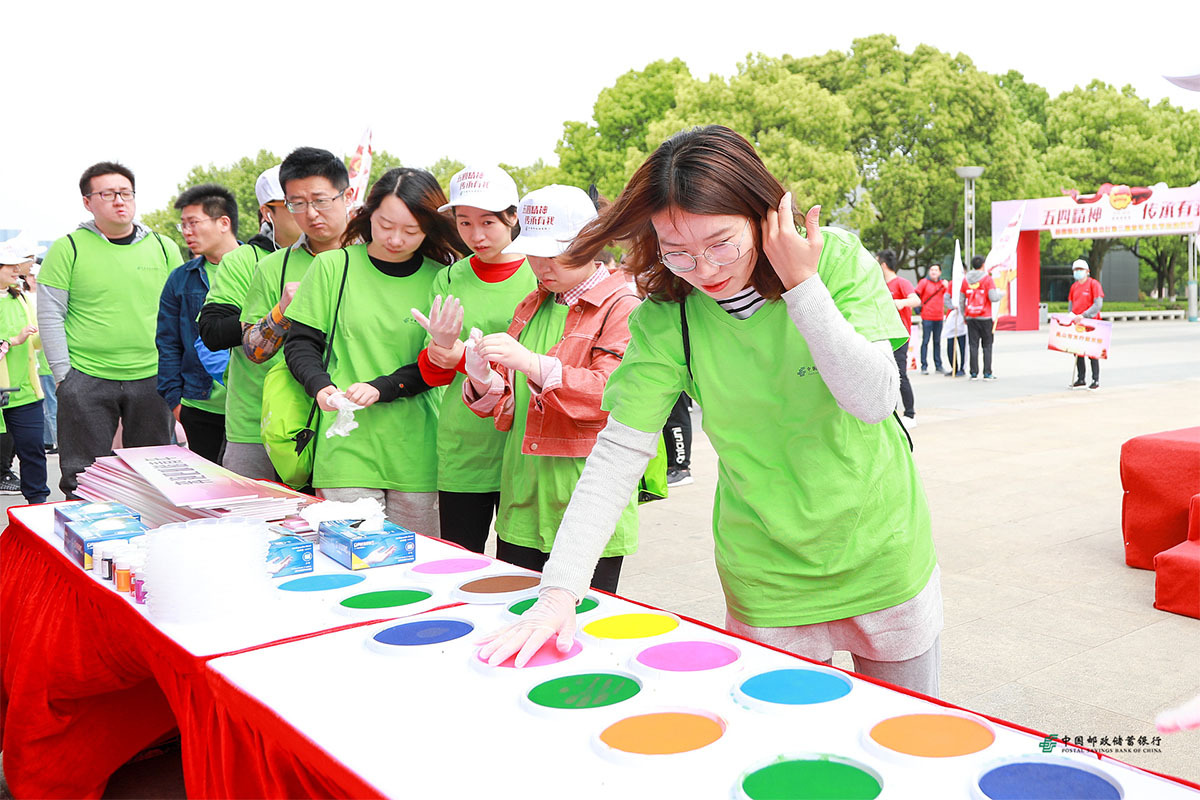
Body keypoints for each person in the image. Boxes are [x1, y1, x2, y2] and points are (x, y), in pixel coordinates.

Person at [479, 126, 940, 697]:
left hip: (883, 553)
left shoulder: (836, 261)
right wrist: (558, 594)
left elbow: (872, 401)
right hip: (766, 573)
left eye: (721, 243)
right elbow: (619, 452)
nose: (704, 269)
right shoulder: (667, 317)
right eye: (676, 251)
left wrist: (801, 285)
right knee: (781, 747)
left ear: (764, 215)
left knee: (903, 734)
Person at [452, 184, 640, 592]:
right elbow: (506, 409)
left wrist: (534, 364)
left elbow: (612, 395)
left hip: (585, 495)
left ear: (591, 243)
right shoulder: (532, 303)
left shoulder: (622, 306)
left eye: (555, 253)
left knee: (585, 621)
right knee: (515, 610)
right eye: (535, 252)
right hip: (522, 492)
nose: (542, 265)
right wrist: (483, 379)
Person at [284, 168, 463, 534]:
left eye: (411, 230)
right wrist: (320, 385)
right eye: (385, 225)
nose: (396, 238)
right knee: (351, 556)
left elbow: (439, 360)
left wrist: (384, 387)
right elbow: (301, 342)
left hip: (419, 448)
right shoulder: (334, 266)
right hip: (346, 441)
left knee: (416, 566)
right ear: (368, 217)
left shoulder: (443, 276)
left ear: (429, 227)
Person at [37, 162, 181, 498]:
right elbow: (50, 314)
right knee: (83, 476)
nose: (120, 200)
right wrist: (64, 378)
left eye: (125, 193)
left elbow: (180, 312)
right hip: (86, 378)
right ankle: (83, 544)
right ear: (88, 202)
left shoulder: (163, 247)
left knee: (154, 472)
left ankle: (146, 542)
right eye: (108, 194)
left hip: (152, 376)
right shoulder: (68, 248)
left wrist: (175, 370)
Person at [411, 165, 536, 553]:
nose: (476, 235)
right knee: (459, 557)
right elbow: (432, 372)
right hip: (463, 445)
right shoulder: (449, 279)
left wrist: (465, 356)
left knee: (521, 562)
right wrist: (441, 351)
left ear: (513, 216)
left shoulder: (540, 271)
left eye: (488, 222)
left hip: (525, 439)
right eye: (464, 223)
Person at [198, 165, 301, 478]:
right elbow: (212, 331)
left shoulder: (339, 256)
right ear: (267, 212)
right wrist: (274, 314)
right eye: (293, 204)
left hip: (317, 415)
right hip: (254, 421)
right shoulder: (243, 260)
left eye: (315, 200)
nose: (306, 211)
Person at [156, 184, 240, 464]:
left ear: (223, 223)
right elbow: (168, 342)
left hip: (250, 406)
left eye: (193, 223)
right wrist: (176, 402)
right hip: (198, 404)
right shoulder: (181, 278)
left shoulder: (261, 266)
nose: (187, 232)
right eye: (183, 226)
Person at [0, 243, 49, 504]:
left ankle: (38, 505)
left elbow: (36, 339)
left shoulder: (21, 298)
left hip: (26, 392)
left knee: (33, 450)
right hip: (3, 392)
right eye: (10, 265)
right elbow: (15, 339)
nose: (17, 269)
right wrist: (11, 340)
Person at [878, 249, 918, 422]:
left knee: (900, 374)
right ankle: (891, 414)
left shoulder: (901, 282)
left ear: (883, 265)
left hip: (899, 336)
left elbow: (916, 300)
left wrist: (900, 303)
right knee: (887, 376)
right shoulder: (879, 285)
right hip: (884, 337)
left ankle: (910, 413)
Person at [960, 255, 1001, 381]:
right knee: (987, 345)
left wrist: (964, 315)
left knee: (973, 345)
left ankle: (973, 373)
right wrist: (1001, 294)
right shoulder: (988, 279)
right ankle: (987, 373)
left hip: (971, 316)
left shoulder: (965, 279)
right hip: (985, 317)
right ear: (983, 264)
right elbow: (993, 297)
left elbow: (961, 300)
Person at [1068, 258, 1103, 390]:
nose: (1078, 272)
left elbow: (1098, 304)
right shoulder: (1074, 287)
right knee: (1078, 352)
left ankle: (1095, 379)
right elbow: (1071, 305)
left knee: (1092, 352)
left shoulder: (1094, 284)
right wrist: (1071, 317)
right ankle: (1081, 378)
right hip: (1077, 323)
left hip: (1092, 323)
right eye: (1075, 270)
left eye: (1080, 270)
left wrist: (1084, 315)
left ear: (1087, 271)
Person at [914, 264, 949, 374]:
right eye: (932, 269)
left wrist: (947, 287)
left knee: (937, 341)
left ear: (940, 272)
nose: (933, 272)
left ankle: (938, 365)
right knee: (925, 340)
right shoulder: (924, 282)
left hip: (938, 316)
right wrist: (917, 309)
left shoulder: (943, 284)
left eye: (936, 270)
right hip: (927, 316)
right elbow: (916, 294)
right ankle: (924, 366)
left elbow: (948, 296)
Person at [663, 393, 694, 486]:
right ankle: (671, 466)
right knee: (668, 419)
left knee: (677, 418)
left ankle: (682, 469)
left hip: (677, 380)